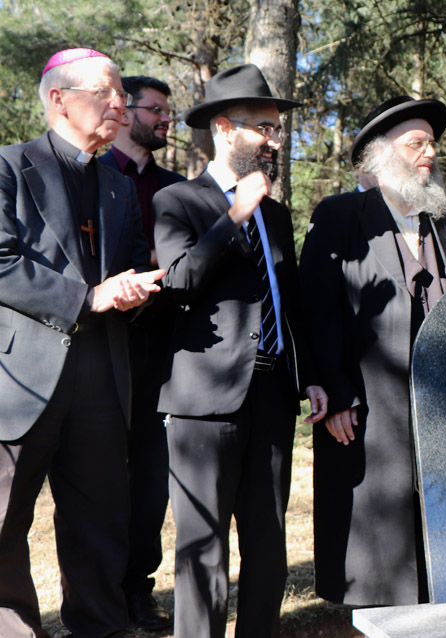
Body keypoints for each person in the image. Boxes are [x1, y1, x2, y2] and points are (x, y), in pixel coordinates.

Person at [153, 64, 328, 636]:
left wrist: (311, 378)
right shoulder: (177, 200)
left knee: (268, 544)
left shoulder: (277, 214)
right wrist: (235, 216)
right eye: (264, 128)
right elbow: (178, 281)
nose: (276, 140)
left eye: (278, 129)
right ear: (225, 128)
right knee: (203, 548)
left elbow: (290, 302)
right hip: (204, 401)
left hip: (273, 396)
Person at [0, 48, 163, 637]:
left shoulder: (118, 185)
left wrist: (134, 291)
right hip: (23, 378)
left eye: (121, 93)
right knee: (3, 523)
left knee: (99, 523)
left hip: (102, 378)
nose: (119, 104)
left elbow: (123, 267)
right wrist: (88, 297)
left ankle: (101, 628)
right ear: (58, 99)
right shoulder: (8, 166)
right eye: (104, 92)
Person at [299, 96, 446, 605]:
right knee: (377, 517)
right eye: (416, 144)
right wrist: (335, 394)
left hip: (444, 401)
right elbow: (317, 308)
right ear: (380, 157)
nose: (429, 154)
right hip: (369, 398)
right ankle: (384, 611)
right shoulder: (341, 215)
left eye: (432, 144)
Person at [98, 74, 185, 631]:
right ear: (125, 110)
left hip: (163, 348)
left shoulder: (179, 188)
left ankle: (138, 588)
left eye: (168, 113)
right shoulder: (93, 176)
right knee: (101, 472)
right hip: (103, 344)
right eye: (157, 111)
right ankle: (99, 589)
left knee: (152, 475)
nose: (165, 121)